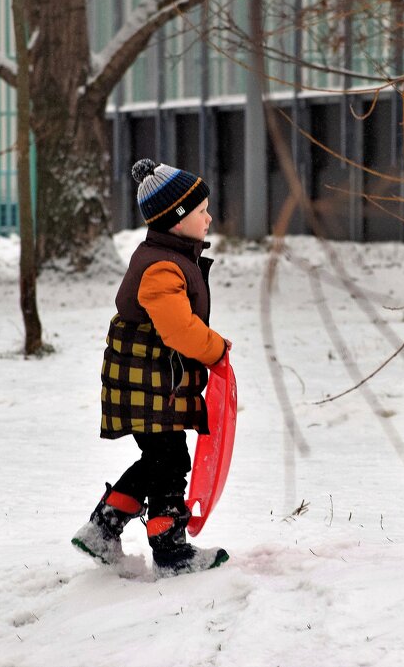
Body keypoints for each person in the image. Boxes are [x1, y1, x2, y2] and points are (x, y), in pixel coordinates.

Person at [72, 158, 230, 575]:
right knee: (168, 463)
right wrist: (215, 349)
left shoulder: (169, 256)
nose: (210, 217)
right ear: (177, 220)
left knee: (160, 461)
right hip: (147, 385)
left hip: (150, 384)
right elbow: (179, 330)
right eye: (202, 211)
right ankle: (170, 550)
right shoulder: (162, 266)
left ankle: (103, 529)